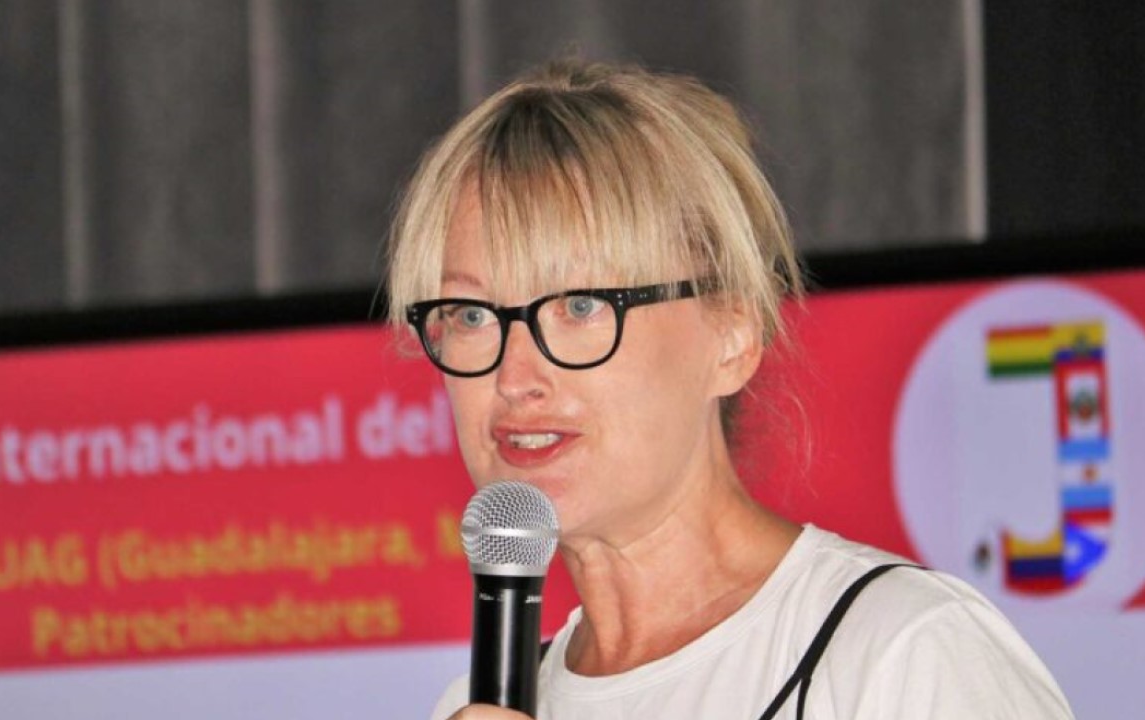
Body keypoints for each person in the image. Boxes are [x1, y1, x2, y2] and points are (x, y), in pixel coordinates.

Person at [386, 60, 1073, 720]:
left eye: (581, 305)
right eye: (471, 316)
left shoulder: (901, 653)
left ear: (733, 335)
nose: (515, 378)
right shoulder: (474, 708)